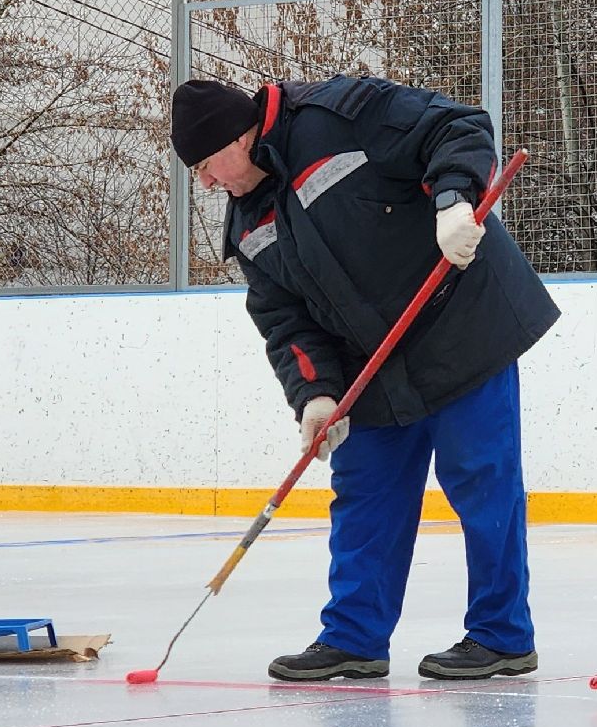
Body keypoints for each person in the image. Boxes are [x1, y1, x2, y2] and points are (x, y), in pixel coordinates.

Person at [170, 75, 559, 681]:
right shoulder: (248, 225)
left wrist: (454, 199)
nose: (206, 182)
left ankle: (502, 636)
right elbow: (285, 321)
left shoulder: (340, 116)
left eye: (206, 164)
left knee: (482, 484)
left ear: (240, 136)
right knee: (365, 495)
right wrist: (315, 395)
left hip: (460, 323)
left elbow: (454, 126)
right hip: (370, 362)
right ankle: (354, 638)